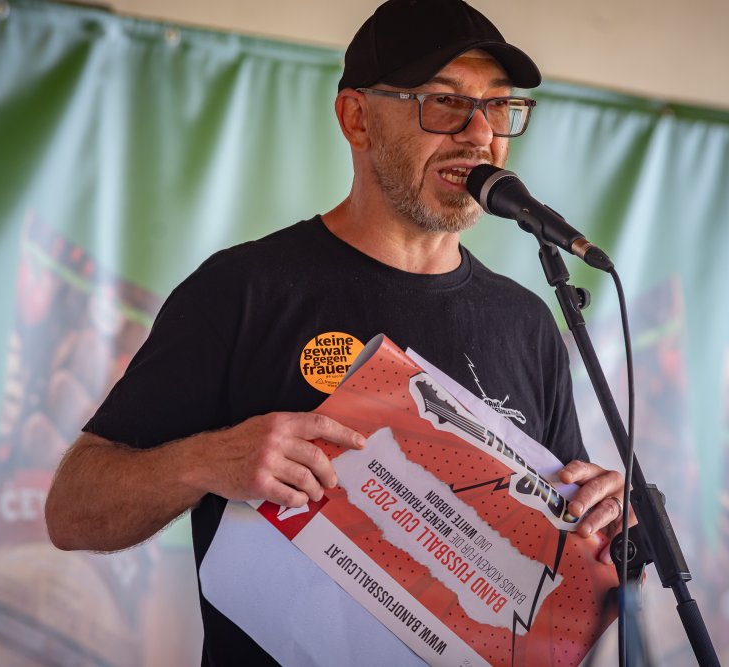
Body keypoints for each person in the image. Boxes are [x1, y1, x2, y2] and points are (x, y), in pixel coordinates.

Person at [45, 0, 625, 664]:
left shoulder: (526, 323)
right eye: (444, 102)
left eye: (498, 107)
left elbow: (557, 567)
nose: (479, 134)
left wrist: (608, 530)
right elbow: (72, 511)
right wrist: (209, 461)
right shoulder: (245, 289)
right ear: (356, 118)